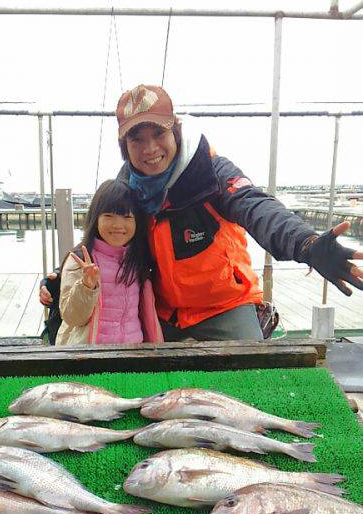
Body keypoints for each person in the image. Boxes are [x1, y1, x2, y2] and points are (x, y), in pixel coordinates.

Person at [41, 84, 363, 344]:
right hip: (162, 311)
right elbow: (106, 239)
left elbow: (256, 206)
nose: (149, 149)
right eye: (137, 140)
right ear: (124, 147)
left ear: (176, 131)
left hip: (224, 306)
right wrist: (64, 275)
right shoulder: (127, 186)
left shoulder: (212, 172)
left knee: (254, 378)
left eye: (158, 134)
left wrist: (305, 243)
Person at [54, 178, 162, 345]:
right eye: (109, 216)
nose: (118, 225)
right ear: (95, 219)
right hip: (92, 354)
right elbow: (72, 318)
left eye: (127, 217)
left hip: (134, 351)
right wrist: (86, 287)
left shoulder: (137, 259)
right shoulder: (80, 260)